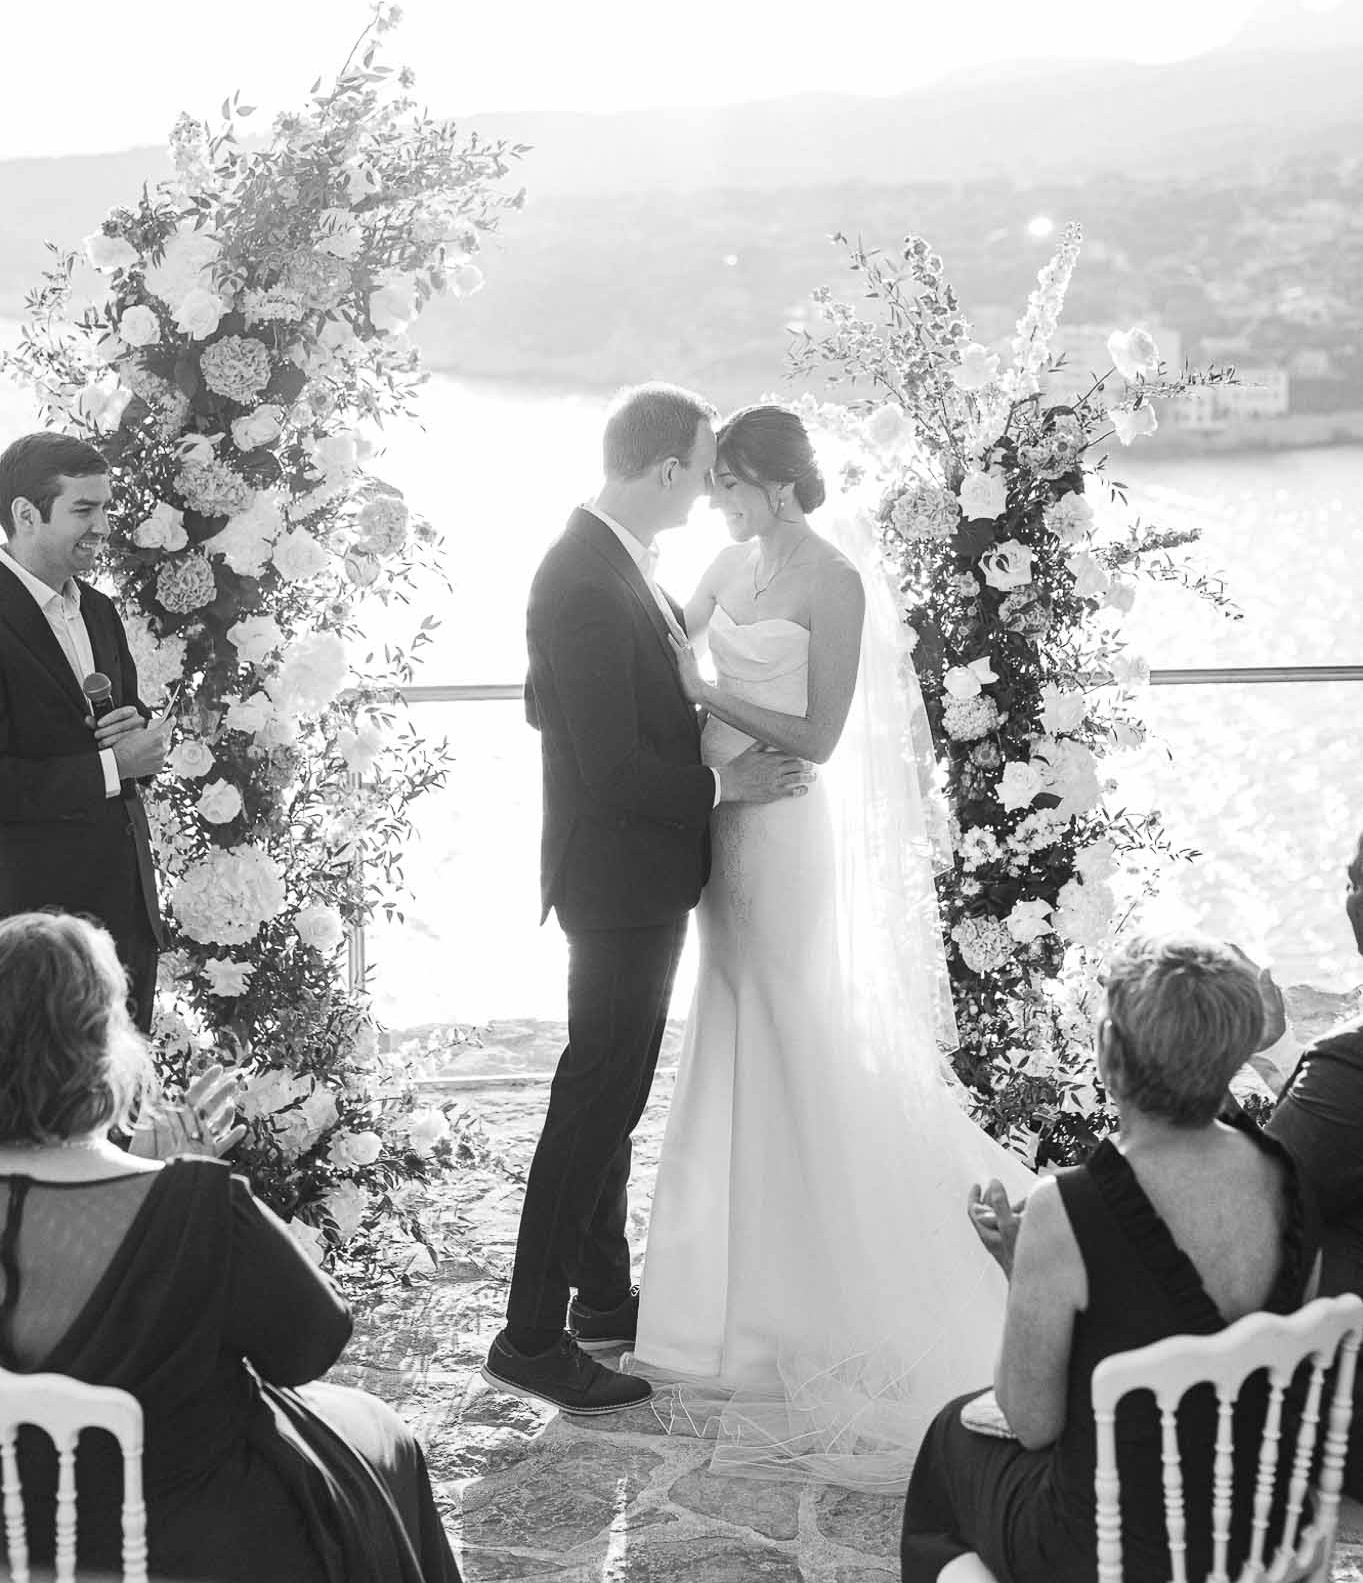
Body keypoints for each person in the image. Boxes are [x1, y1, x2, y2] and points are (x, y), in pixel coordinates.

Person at [626, 403, 1032, 1486]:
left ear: (771, 482)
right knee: (730, 1023)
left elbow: (821, 733)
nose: (712, 498)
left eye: (726, 482)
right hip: (722, 819)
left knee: (795, 1023)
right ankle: (728, 1294)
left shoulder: (832, 580)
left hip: (786, 823)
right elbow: (665, 627)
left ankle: (810, 1283)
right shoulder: (726, 560)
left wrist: (701, 688)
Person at [483, 384, 813, 1418]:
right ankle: (530, 1334)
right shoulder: (582, 575)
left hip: (632, 867)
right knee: (595, 1097)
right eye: (704, 464)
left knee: (611, 1091)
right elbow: (616, 763)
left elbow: (567, 707)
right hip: (616, 873)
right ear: (665, 469)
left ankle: (599, 1297)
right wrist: (726, 782)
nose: (710, 482)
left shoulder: (616, 563)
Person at [0, 910, 461, 1583]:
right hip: (192, 1540)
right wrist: (179, 1192)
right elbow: (307, 1346)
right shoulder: (194, 1204)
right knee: (380, 1430)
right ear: (103, 1045)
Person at [899, 934, 1316, 1583]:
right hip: (1261, 1527)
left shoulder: (1067, 1208)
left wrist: (1022, 1269)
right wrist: (1028, 1261)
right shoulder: (1286, 1177)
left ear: (1110, 1056)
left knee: (951, 1437)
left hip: (1119, 1552)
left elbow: (1031, 1423)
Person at [0, 432, 170, 1029]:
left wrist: (140, 730)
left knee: (116, 1114)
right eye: (83, 510)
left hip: (123, 915)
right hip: (32, 934)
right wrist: (113, 767)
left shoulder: (98, 609)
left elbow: (113, 726)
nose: (102, 526)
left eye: (106, 508)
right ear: (25, 514)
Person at [1265, 825, 1363, 1495]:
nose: (1345, 895)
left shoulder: (1349, 1063)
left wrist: (1262, 1052)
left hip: (1344, 1418)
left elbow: (1261, 1195)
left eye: (1355, 881)